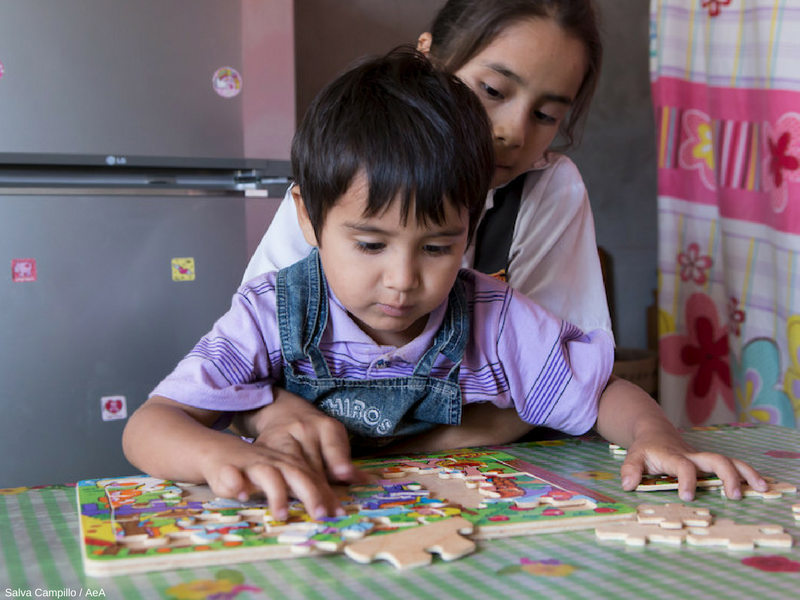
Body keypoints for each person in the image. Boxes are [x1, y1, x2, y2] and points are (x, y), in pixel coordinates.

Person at [234, 0, 768, 510]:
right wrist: (280, 416)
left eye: (546, 114)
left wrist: (651, 432)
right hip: (336, 473)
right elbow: (247, 376)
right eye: (492, 89)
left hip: (498, 472)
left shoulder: (549, 194)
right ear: (429, 57)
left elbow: (563, 388)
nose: (511, 131)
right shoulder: (347, 189)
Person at [123, 47, 616, 521]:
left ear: (470, 222)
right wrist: (217, 456)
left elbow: (602, 392)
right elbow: (150, 426)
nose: (403, 281)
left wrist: (655, 436)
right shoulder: (273, 311)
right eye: (372, 246)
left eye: (437, 248)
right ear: (308, 220)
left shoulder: (495, 314)